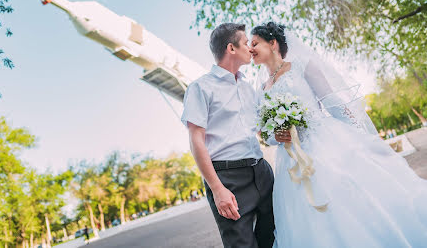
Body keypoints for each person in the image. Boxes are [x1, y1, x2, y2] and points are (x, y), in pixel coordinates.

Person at [250, 22, 427, 247]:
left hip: (325, 144)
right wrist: (278, 135)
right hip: (291, 161)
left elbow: (332, 102)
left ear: (273, 43)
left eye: (255, 43)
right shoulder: (262, 89)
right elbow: (266, 133)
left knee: (346, 202)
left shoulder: (302, 66)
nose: (250, 48)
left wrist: (362, 137)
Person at [181, 23, 275, 248]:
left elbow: (261, 129)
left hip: (261, 171)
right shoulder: (200, 88)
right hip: (228, 179)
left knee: (273, 240)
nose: (250, 49)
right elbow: (196, 141)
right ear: (231, 49)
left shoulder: (248, 88)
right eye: (245, 43)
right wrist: (217, 188)